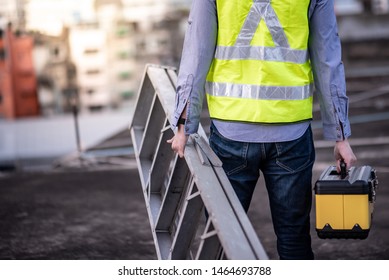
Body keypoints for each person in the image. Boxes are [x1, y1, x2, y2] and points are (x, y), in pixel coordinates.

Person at [168, 0, 357, 260]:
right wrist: (341, 137)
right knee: (294, 238)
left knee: (221, 238)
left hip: (231, 131)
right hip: (291, 133)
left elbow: (196, 53)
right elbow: (328, 61)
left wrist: (183, 126)